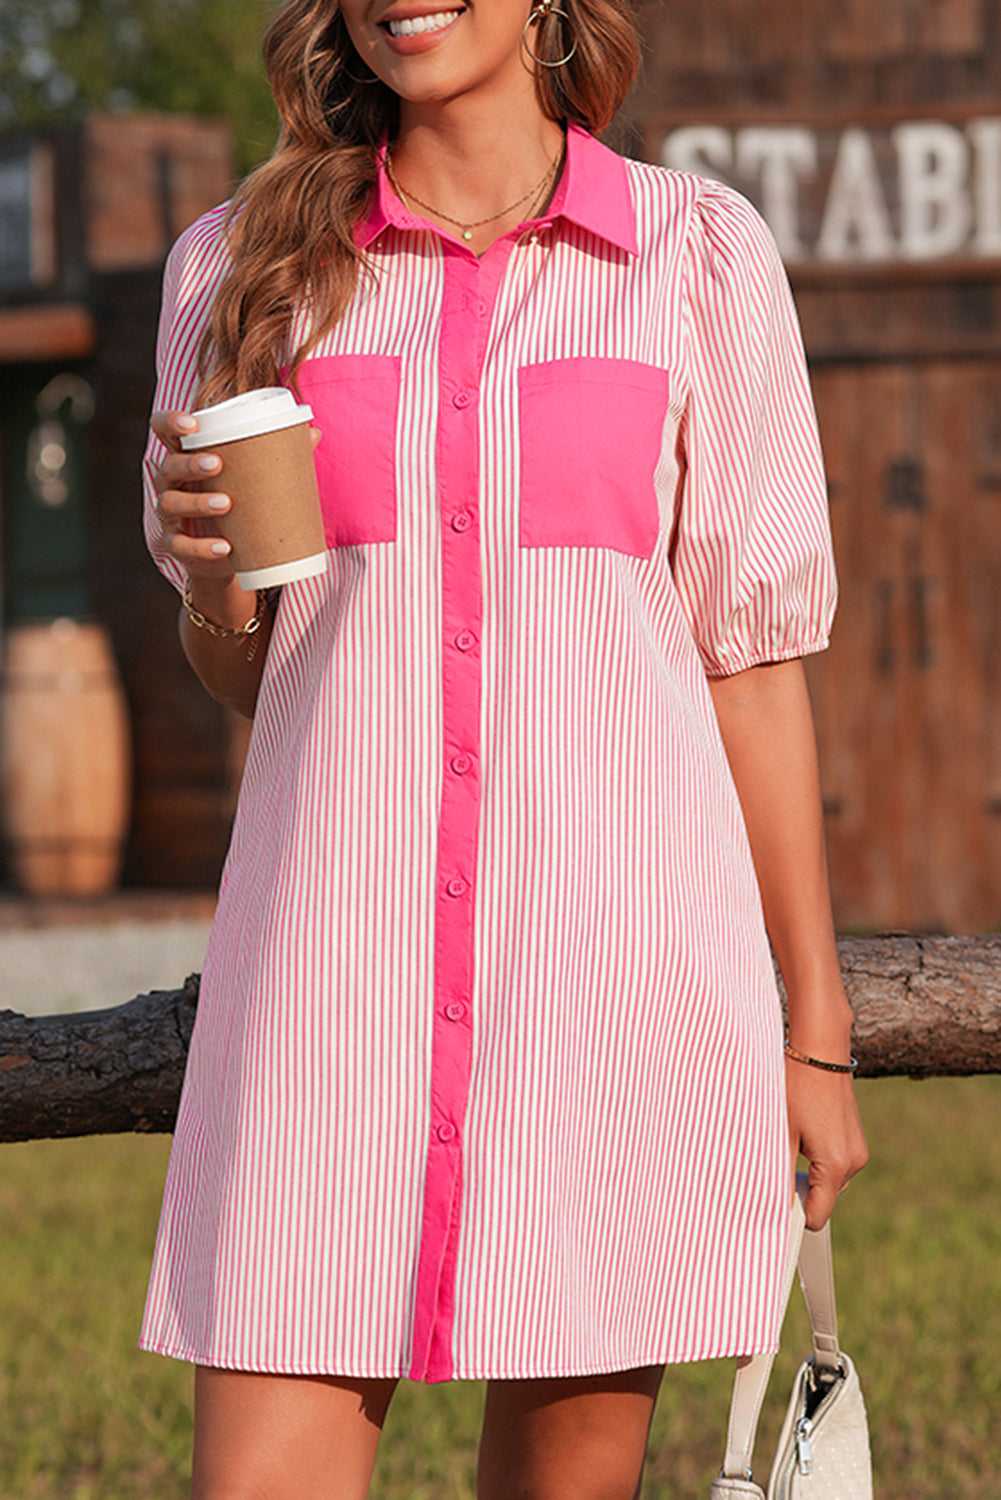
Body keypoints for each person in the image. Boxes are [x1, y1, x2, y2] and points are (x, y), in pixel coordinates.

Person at [137, 0, 870, 1496]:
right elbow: (245, 667)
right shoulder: (239, 265)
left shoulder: (697, 258)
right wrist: (216, 579)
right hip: (321, 1000)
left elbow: (752, 662)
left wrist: (813, 1028)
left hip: (607, 989)